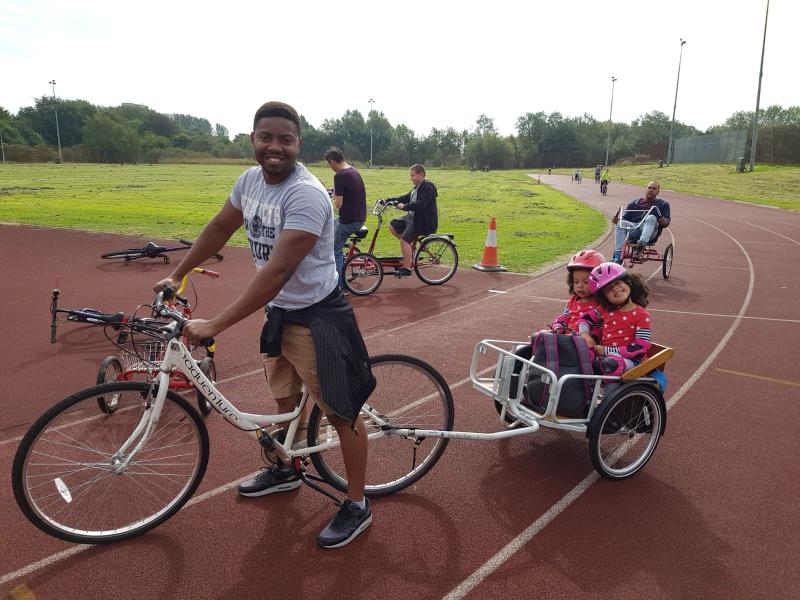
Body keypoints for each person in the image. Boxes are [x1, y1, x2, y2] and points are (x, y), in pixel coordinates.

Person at [153, 101, 374, 549]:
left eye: (285, 140)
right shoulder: (249, 182)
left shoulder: (307, 195)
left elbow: (275, 274)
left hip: (318, 318)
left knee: (342, 411)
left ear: (298, 144)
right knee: (284, 398)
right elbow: (220, 226)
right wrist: (180, 272)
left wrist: (214, 323)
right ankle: (286, 469)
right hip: (281, 315)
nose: (275, 147)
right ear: (253, 139)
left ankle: (357, 503)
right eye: (266, 138)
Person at [577, 262, 652, 376]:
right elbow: (584, 319)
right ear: (604, 297)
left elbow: (640, 346)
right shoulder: (605, 309)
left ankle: (609, 394)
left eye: (617, 283)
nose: (615, 288)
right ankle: (587, 391)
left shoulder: (641, 315)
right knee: (583, 356)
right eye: (608, 289)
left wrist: (606, 351)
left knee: (612, 365)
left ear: (628, 283)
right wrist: (584, 335)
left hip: (631, 361)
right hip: (605, 356)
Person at [324, 146, 367, 289]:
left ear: (332, 162)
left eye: (329, 165)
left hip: (348, 221)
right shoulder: (353, 171)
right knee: (331, 226)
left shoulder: (340, 176)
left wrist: (331, 197)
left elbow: (338, 204)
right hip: (359, 217)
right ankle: (340, 271)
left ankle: (339, 287)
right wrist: (333, 191)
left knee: (334, 250)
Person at [386, 164, 438, 277]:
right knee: (392, 225)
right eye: (411, 175)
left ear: (421, 175)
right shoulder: (417, 187)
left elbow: (421, 205)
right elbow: (405, 197)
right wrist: (388, 200)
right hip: (412, 217)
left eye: (413, 176)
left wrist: (404, 207)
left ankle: (407, 269)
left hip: (422, 221)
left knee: (404, 241)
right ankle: (409, 250)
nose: (411, 178)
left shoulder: (427, 187)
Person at [541, 249, 605, 339]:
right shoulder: (573, 301)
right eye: (576, 281)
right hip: (567, 339)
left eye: (586, 282)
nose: (580, 286)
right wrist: (558, 327)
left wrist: (591, 336)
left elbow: (602, 327)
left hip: (585, 343)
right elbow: (565, 316)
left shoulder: (601, 303)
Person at [611, 181, 671, 263]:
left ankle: (641, 246)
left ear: (658, 192)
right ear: (646, 189)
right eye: (649, 188)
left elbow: (667, 221)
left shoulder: (663, 204)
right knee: (621, 224)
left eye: (654, 188)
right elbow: (625, 219)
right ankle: (617, 255)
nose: (651, 190)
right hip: (634, 229)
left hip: (650, 232)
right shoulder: (634, 203)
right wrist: (617, 221)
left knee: (651, 217)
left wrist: (665, 221)